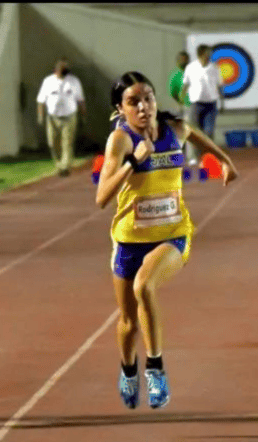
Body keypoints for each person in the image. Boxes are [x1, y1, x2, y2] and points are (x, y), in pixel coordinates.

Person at [95, 72, 238, 409]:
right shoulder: (121, 141)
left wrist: (224, 161)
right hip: (129, 240)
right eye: (133, 102)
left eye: (148, 98)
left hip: (174, 234)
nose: (143, 107)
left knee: (144, 287)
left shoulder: (175, 129)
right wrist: (133, 161)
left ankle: (155, 368)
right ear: (121, 108)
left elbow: (199, 137)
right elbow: (102, 196)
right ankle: (128, 369)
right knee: (128, 322)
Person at [36, 57, 86, 177]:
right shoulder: (48, 81)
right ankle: (59, 164)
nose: (65, 70)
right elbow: (41, 100)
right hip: (52, 118)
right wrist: (40, 116)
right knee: (52, 143)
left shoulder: (74, 81)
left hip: (69, 117)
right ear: (56, 69)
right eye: (62, 68)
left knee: (67, 142)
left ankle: (65, 166)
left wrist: (83, 115)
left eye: (66, 68)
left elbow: (80, 100)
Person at [180, 44, 224, 175]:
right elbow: (185, 84)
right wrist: (182, 100)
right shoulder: (191, 68)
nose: (209, 55)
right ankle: (196, 157)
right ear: (201, 54)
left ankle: (207, 158)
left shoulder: (214, 68)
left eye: (210, 53)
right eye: (207, 53)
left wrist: (222, 102)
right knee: (196, 133)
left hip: (211, 104)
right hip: (196, 104)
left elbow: (220, 85)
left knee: (209, 131)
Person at [168, 51, 191, 116]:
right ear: (178, 61)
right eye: (182, 60)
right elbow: (172, 92)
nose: (184, 62)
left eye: (185, 60)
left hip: (196, 105)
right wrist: (180, 101)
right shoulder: (175, 75)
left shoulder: (193, 72)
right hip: (185, 106)